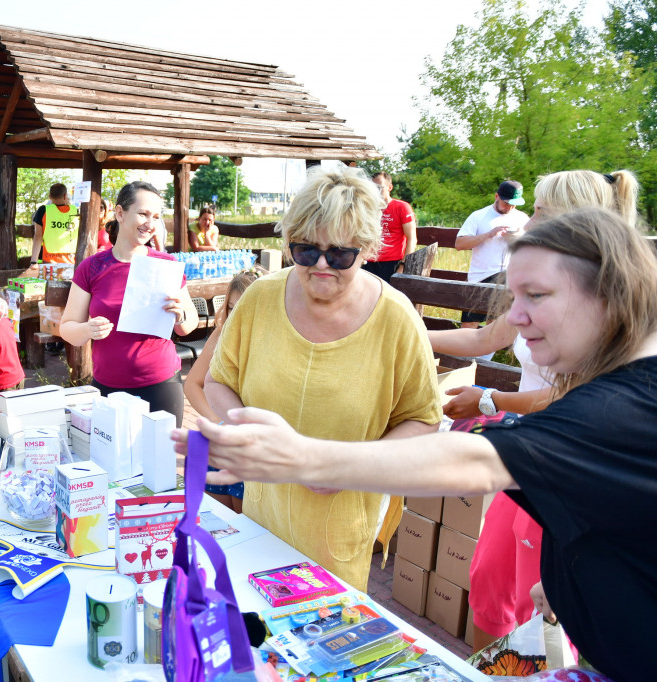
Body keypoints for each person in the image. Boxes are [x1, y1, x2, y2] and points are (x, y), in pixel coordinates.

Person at [184, 206, 657, 682]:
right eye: (513, 296)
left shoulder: (621, 408)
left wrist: (304, 458)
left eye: (535, 295)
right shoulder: (624, 391)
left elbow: (478, 461)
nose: (514, 317)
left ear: (608, 296)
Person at [427, 168, 640, 650]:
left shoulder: (606, 302)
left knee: (541, 601)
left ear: (574, 222)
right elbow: (485, 338)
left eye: (540, 211)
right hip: (529, 453)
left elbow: (576, 395)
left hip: (568, 466)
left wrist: (490, 400)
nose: (529, 220)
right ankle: (489, 665)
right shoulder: (544, 286)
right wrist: (404, 330)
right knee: (489, 583)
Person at [202, 166, 442, 591]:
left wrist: (348, 468)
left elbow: (423, 419)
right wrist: (252, 434)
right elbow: (218, 381)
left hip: (340, 528)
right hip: (263, 511)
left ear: (367, 248)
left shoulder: (397, 318)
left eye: (341, 255)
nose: (322, 265)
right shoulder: (261, 298)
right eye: (306, 251)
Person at [60, 181, 198, 423]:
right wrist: (86, 329)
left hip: (160, 383)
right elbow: (67, 328)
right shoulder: (91, 267)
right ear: (120, 213)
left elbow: (188, 326)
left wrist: (181, 315)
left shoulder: (166, 265)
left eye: (156, 217)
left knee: (159, 458)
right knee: (110, 460)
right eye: (143, 214)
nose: (150, 224)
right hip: (107, 386)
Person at [183, 267, 264, 512]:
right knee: (215, 524)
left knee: (247, 529)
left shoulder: (277, 340)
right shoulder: (221, 334)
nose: (236, 313)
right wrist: (218, 421)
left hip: (254, 451)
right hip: (218, 444)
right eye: (231, 306)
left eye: (245, 305)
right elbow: (192, 384)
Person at [455, 180, 530, 328]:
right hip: (480, 278)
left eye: (514, 204)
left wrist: (516, 238)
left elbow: (532, 249)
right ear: (496, 196)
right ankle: (463, 352)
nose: (510, 207)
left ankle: (487, 352)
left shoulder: (522, 218)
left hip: (508, 277)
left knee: (495, 326)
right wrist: (488, 235)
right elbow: (459, 244)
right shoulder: (478, 216)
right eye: (506, 203)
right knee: (469, 325)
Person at [362, 172, 416, 282]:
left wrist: (403, 265)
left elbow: (412, 238)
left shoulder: (401, 207)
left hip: (391, 263)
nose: (375, 191)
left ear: (389, 187)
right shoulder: (367, 208)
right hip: (368, 261)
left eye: (379, 187)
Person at [30, 183, 76, 265]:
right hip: (71, 261)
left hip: (49, 261)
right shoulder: (76, 211)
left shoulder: (43, 211)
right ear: (65, 196)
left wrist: (33, 262)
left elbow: (38, 237)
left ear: (49, 196)